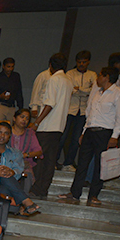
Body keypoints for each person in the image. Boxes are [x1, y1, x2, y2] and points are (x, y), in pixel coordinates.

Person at [58, 67, 120, 206]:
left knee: (100, 165)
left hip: (105, 132)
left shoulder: (118, 93)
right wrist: (83, 132)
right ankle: (75, 193)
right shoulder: (97, 92)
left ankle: (94, 194)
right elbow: (90, 113)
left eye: (100, 75)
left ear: (107, 77)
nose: (97, 78)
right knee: (82, 163)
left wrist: (115, 135)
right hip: (90, 131)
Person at [30, 54, 73, 199]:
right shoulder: (68, 81)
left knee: (39, 158)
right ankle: (43, 189)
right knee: (50, 161)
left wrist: (37, 122)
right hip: (59, 126)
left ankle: (35, 189)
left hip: (47, 126)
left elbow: (49, 104)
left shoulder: (54, 79)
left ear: (50, 65)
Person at [0, 122, 41, 216]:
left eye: (6, 133)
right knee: (1, 174)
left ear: (9, 136)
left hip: (8, 186)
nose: (2, 136)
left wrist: (12, 172)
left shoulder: (16, 153)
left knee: (4, 186)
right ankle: (25, 200)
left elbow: (19, 169)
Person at [57, 51, 96, 171]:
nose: (81, 64)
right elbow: (71, 90)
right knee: (62, 136)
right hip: (70, 109)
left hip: (83, 111)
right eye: (79, 62)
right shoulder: (70, 73)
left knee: (76, 139)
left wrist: (80, 89)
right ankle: (55, 161)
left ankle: (68, 163)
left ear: (88, 62)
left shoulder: (92, 75)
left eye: (84, 62)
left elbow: (93, 91)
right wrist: (85, 91)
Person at [10, 108, 42, 193]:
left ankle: (23, 198)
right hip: (7, 163)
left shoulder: (30, 133)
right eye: (22, 117)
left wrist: (26, 155)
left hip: (23, 164)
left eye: (27, 118)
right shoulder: (6, 131)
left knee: (27, 173)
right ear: (14, 118)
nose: (24, 120)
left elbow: (39, 151)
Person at [0, 57, 24, 122]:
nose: (10, 69)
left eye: (12, 67)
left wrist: (21, 108)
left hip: (11, 107)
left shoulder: (16, 76)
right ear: (3, 66)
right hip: (0, 106)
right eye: (8, 67)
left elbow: (19, 93)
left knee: (10, 127)